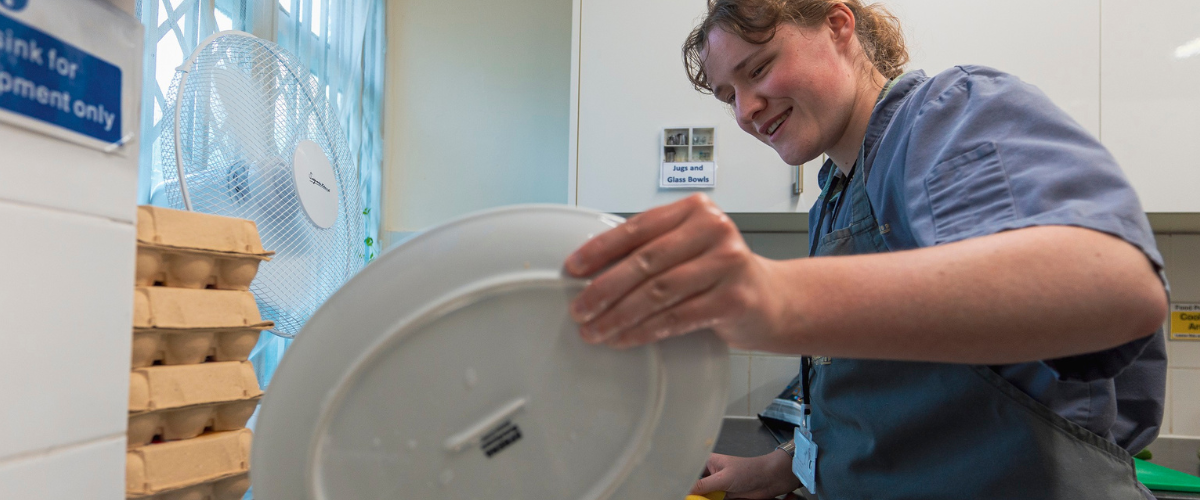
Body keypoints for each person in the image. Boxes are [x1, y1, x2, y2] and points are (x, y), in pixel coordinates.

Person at [562, 0, 1170, 498]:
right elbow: (898, 404)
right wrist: (780, 468)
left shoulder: (946, 116)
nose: (746, 110)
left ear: (838, 24)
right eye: (729, 96)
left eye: (759, 68)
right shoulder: (834, 196)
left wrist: (773, 297)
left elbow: (1115, 289)